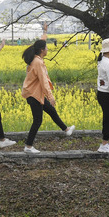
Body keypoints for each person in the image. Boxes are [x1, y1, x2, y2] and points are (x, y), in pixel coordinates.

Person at [21, 24, 75, 153]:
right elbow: (44, 82)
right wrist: (50, 97)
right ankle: (28, 146)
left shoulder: (37, 57)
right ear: (41, 50)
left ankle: (66, 130)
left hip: (35, 93)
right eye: (46, 48)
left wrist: (45, 31)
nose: (47, 49)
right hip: (33, 95)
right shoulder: (38, 62)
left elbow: (41, 41)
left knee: (51, 111)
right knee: (38, 120)